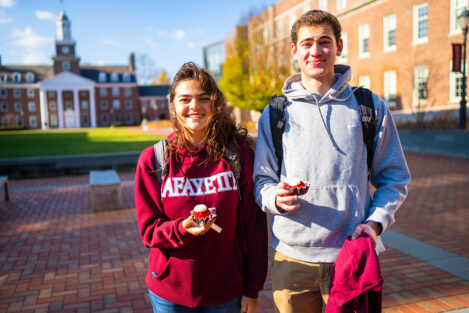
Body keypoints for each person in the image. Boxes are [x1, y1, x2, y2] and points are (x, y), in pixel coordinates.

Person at [253, 10, 411, 313]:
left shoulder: (369, 106)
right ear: (294, 50)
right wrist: (275, 197)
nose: (316, 51)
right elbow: (261, 181)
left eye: (324, 42)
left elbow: (395, 178)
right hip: (292, 259)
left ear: (338, 45)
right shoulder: (275, 112)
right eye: (307, 43)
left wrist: (375, 224)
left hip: (351, 254)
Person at [135, 62, 268, 313]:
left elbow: (254, 227)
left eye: (203, 98)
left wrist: (253, 288)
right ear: (173, 107)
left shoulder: (239, 155)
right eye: (184, 99)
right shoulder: (153, 159)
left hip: (226, 289)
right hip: (171, 291)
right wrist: (181, 229)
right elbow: (149, 231)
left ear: (215, 104)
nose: (194, 106)